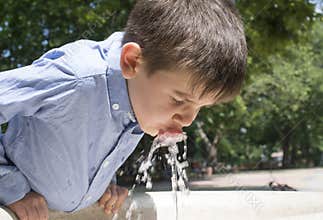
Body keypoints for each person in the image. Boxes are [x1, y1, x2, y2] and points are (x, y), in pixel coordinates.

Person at [0, 0, 247, 219]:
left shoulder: (141, 96)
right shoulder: (74, 79)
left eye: (201, 107)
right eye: (180, 99)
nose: (189, 119)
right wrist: (12, 188)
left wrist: (102, 185)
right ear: (131, 62)